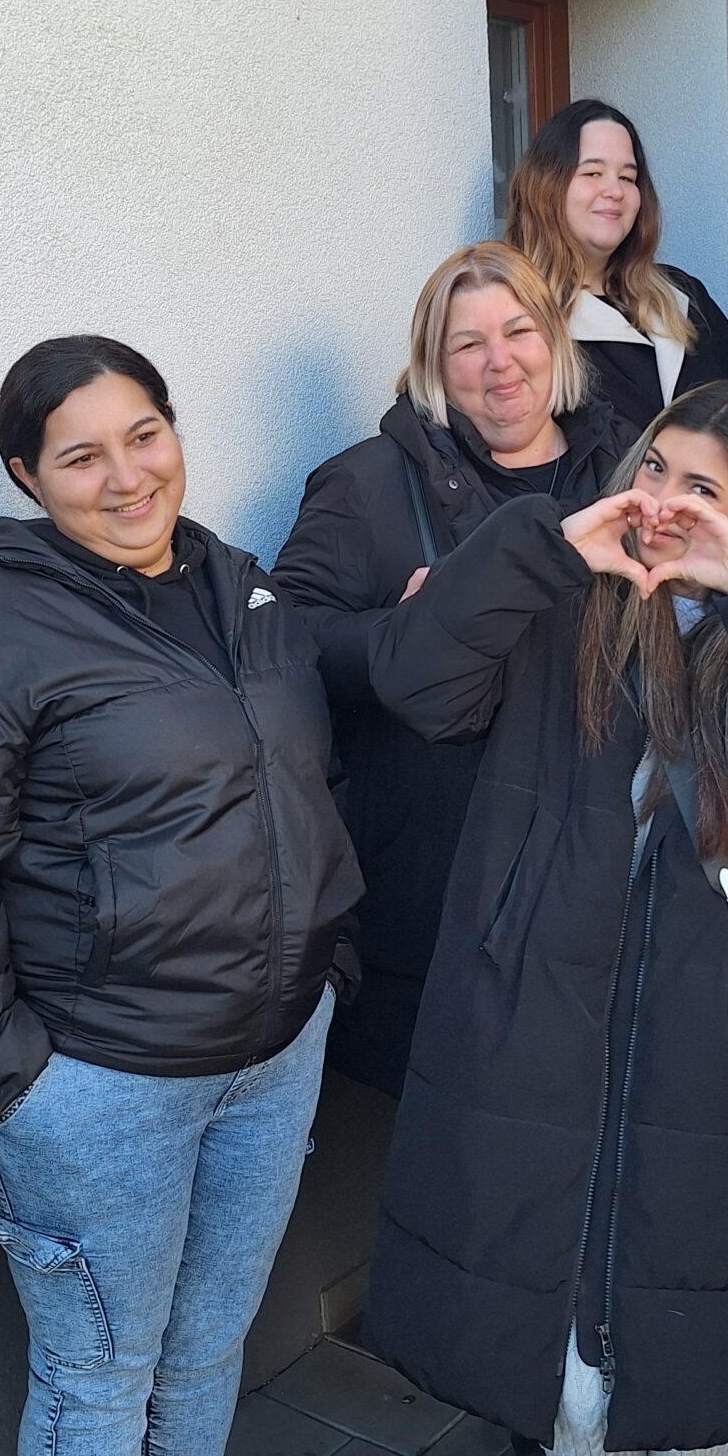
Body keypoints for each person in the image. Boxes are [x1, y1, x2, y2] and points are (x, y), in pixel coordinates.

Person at [362, 379, 728, 1456]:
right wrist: (544, 551)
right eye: (656, 467)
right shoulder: (562, 591)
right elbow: (413, 684)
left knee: (681, 1264)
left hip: (697, 1004)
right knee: (541, 1254)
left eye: (703, 488)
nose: (662, 501)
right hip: (534, 981)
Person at [0, 336, 360, 1456]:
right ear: (25, 475)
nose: (127, 476)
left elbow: (307, 784)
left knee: (207, 1345)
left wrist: (327, 964)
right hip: (99, 1084)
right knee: (99, 1377)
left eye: (144, 435)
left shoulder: (241, 587)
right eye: (81, 456)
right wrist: (7, 1076)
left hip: (271, 1055)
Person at [275, 240, 635, 1097]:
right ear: (434, 365)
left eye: (519, 332)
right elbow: (287, 640)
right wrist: (403, 631)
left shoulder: (626, 465)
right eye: (468, 344)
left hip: (596, 856)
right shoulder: (367, 483)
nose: (499, 362)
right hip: (441, 865)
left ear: (555, 340)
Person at [505, 97, 728, 436]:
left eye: (628, 177)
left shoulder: (682, 296)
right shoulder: (519, 318)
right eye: (593, 173)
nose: (615, 191)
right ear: (546, 187)